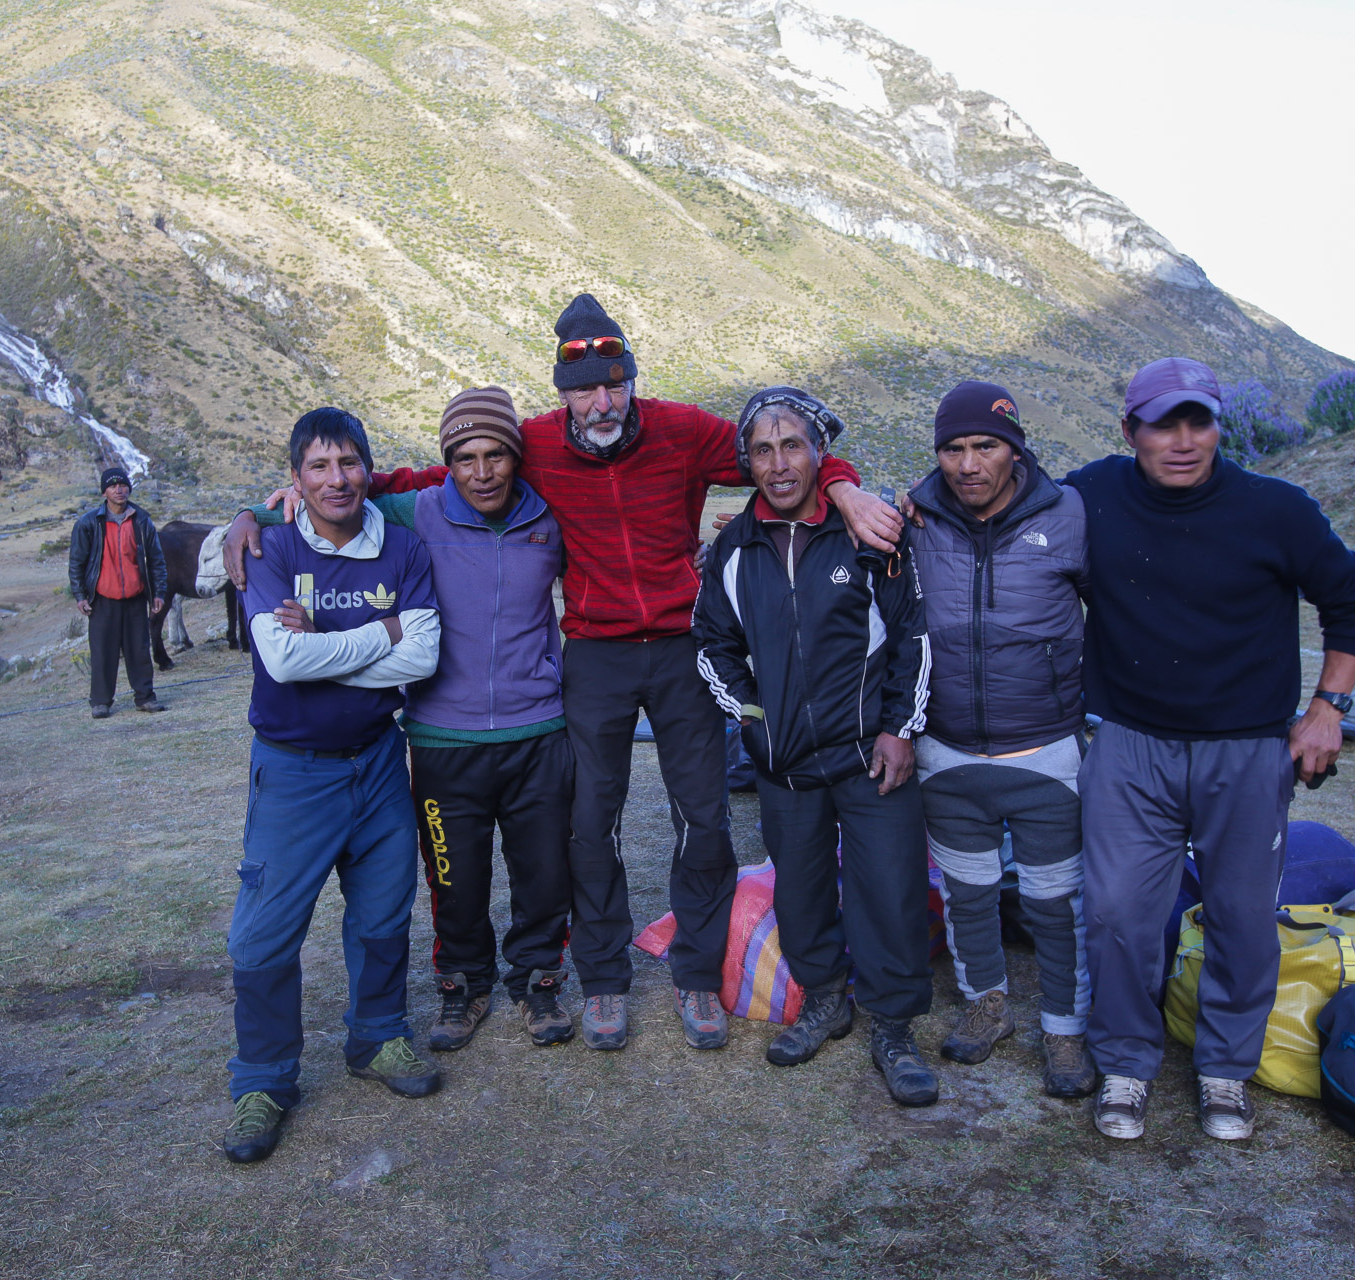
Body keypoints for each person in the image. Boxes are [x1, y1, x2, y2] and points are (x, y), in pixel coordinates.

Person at [224, 293, 902, 1052]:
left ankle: (698, 975)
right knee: (590, 822)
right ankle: (605, 978)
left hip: (682, 646)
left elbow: (781, 452)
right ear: (561, 395)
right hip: (595, 651)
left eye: (615, 383)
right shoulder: (534, 445)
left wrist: (841, 482)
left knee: (703, 819)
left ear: (632, 381)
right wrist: (259, 509)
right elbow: (393, 481)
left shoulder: (683, 430)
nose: (602, 401)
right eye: (584, 389)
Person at [1065, 357, 1355, 1142]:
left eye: (1197, 421)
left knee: (1242, 916)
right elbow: (988, 494)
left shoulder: (1275, 510)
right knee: (1115, 915)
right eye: (1162, 425)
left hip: (1246, 750)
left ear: (1217, 425)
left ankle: (1225, 1070)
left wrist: (1327, 711)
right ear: (1129, 432)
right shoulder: (1087, 496)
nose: (1182, 441)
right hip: (1129, 743)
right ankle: (1127, 1065)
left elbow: (1354, 595)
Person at [242, 387, 578, 1052]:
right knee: (454, 878)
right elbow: (333, 498)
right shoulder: (415, 512)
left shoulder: (551, 515)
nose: (481, 472)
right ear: (446, 462)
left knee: (544, 872)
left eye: (496, 455)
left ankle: (539, 985)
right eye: (464, 457)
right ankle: (463, 986)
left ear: (517, 457)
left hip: (537, 729)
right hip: (441, 739)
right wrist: (247, 517)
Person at [692, 388, 939, 1107]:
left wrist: (900, 730)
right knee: (800, 893)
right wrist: (753, 717)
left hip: (871, 757)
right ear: (748, 461)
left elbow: (913, 637)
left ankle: (893, 1026)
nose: (777, 463)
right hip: (785, 763)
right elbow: (714, 645)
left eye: (791, 445)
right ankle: (827, 1000)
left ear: (819, 453)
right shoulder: (734, 548)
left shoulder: (868, 533)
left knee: (889, 892)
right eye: (762, 450)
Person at [222, 407, 443, 1166]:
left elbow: (420, 658)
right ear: (295, 479)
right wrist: (379, 634)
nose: (336, 479)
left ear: (368, 470)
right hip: (293, 769)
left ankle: (378, 1037)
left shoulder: (404, 548)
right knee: (265, 931)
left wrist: (326, 643)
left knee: (384, 910)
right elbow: (281, 661)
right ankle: (261, 1080)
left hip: (379, 758)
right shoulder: (271, 548)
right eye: (318, 466)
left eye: (348, 463)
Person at [904, 381, 1096, 1099]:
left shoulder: (1070, 514)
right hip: (947, 750)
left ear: (1014, 447)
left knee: (1056, 901)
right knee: (967, 894)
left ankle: (1064, 1029)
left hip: (1045, 749)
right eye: (952, 448)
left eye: (985, 445)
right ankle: (987, 1006)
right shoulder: (914, 518)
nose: (968, 463)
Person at [67, 467, 167, 717]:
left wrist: (158, 592)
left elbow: (156, 560)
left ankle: (145, 697)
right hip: (102, 599)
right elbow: (77, 562)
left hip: (135, 597)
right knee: (103, 651)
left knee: (139, 651)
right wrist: (80, 595)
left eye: (123, 485)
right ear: (104, 492)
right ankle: (100, 702)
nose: (119, 490)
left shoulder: (142, 520)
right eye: (113, 486)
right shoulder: (89, 523)